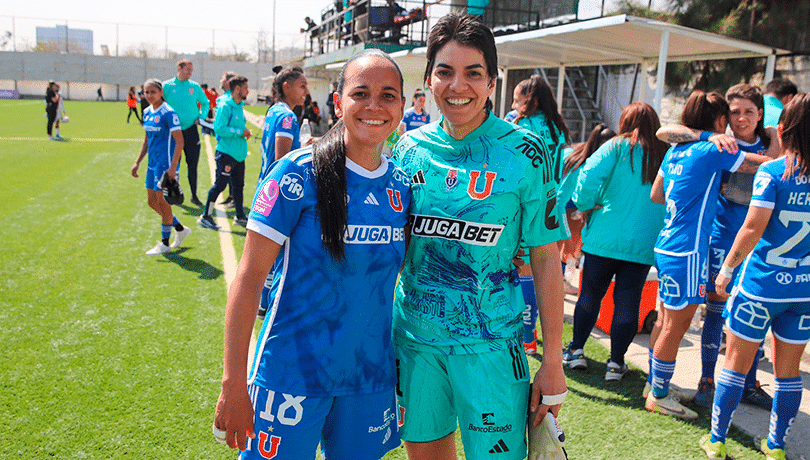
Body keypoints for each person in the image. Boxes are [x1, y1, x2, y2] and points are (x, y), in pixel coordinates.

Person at [213, 49, 409, 460]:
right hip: (291, 375)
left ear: (403, 106)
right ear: (338, 102)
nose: (374, 106)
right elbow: (248, 279)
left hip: (368, 378)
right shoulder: (295, 175)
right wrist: (234, 382)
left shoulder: (403, 187)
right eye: (361, 94)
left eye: (388, 95)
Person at [391, 14, 567, 460]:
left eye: (473, 73)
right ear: (429, 79)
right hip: (415, 342)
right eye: (445, 72)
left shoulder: (529, 152)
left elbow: (547, 261)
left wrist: (553, 361)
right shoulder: (409, 148)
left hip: (490, 349)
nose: (458, 86)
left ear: (492, 81)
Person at [699, 93, 810, 460]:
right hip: (804, 290)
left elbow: (752, 226)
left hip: (762, 285)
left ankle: (716, 441)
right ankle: (776, 448)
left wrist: (727, 269)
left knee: (736, 363)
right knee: (789, 372)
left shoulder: (774, 172)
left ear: (782, 128)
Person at [656, 84, 781, 408]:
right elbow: (666, 130)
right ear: (723, 118)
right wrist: (705, 136)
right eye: (734, 112)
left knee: (752, 313)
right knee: (710, 313)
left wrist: (776, 139)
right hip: (717, 240)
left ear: (760, 114)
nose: (740, 119)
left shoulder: (765, 142)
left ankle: (748, 383)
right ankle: (705, 381)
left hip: (758, 243)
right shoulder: (717, 145)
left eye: (748, 112)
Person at [563, 103, 668, 381]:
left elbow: (587, 175)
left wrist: (586, 205)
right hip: (645, 242)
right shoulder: (664, 152)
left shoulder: (617, 146)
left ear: (625, 121)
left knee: (590, 294)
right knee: (628, 301)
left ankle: (575, 351)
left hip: (603, 238)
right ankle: (616, 363)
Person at [509, 74, 571, 355]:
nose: (513, 104)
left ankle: (526, 335)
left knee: (524, 268)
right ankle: (534, 335)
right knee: (545, 269)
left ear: (530, 100)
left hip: (528, 202)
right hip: (553, 204)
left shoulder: (521, 124)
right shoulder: (557, 127)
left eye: (517, 99)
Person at [129, 79, 191, 255]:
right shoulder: (147, 111)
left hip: (165, 165)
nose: (148, 96)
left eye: (152, 92)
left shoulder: (169, 113)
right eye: (146, 92)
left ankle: (165, 243)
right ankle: (180, 228)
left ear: (161, 92)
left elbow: (180, 141)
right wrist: (138, 161)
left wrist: (173, 167)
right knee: (152, 202)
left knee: (163, 203)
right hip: (152, 164)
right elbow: (147, 139)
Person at [556, 124, 616, 294]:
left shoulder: (591, 157)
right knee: (561, 244)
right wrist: (565, 235)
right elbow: (559, 200)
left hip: (571, 203)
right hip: (558, 203)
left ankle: (563, 280)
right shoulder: (580, 164)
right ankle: (557, 282)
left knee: (571, 245)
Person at [198, 76, 252, 230]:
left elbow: (237, 127)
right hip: (226, 154)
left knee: (238, 186)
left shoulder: (239, 105)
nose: (247, 91)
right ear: (237, 89)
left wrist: (245, 132)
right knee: (220, 185)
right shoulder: (225, 106)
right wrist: (240, 132)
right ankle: (206, 216)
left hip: (239, 154)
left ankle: (240, 215)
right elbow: (219, 128)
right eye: (246, 88)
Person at [163, 59, 210, 207]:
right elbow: (159, 103)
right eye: (187, 69)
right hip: (173, 132)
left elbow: (205, 103)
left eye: (191, 70)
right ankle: (172, 193)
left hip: (191, 131)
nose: (190, 72)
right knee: (173, 164)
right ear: (179, 68)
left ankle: (194, 195)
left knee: (193, 164)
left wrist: (201, 117)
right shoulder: (167, 86)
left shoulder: (194, 87)